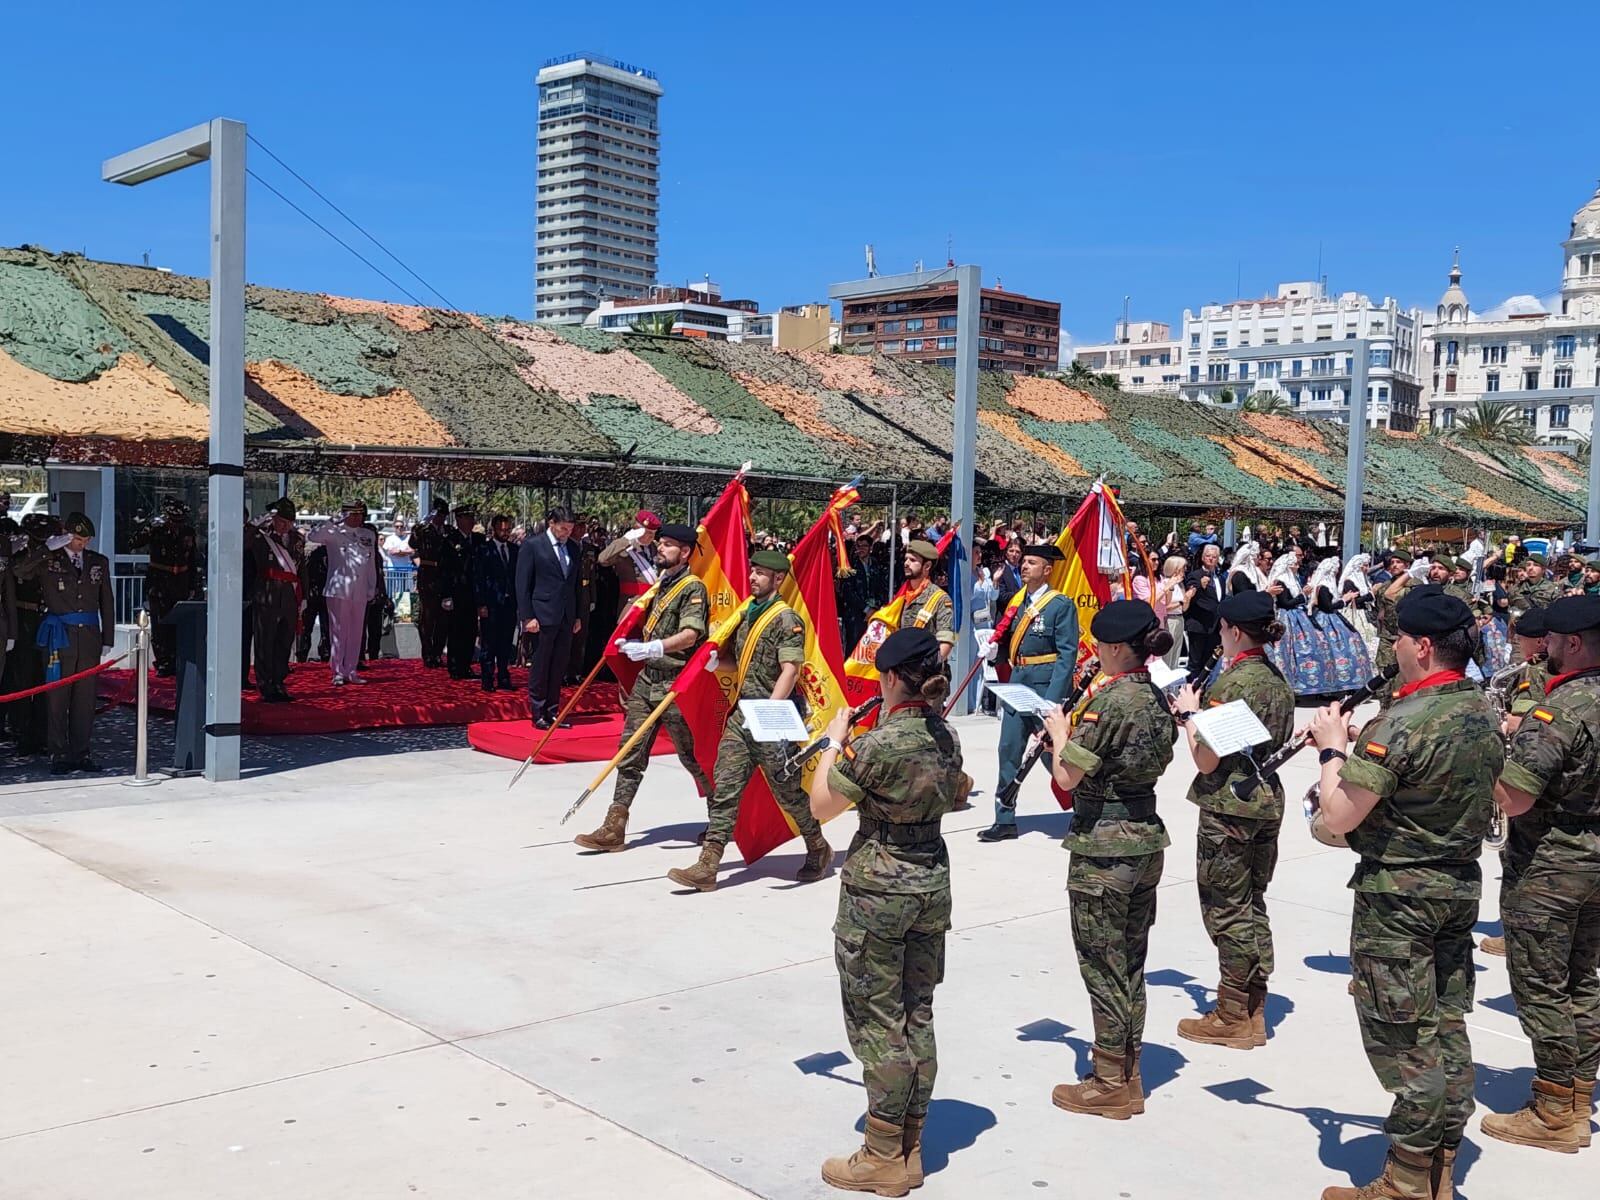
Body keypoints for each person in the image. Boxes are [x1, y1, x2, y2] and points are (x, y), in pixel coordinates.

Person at [1306, 588, 1501, 1200]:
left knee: (1402, 1038)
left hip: (1399, 897)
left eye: (1398, 638)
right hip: (1458, 884)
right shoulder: (1480, 706)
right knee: (1447, 1022)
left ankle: (1407, 1182)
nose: (1392, 647)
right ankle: (1440, 1164)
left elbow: (1339, 815)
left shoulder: (1401, 722)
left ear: (1420, 645)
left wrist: (1334, 750)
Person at [807, 627, 969, 1195]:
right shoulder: (946, 735)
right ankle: (910, 1143)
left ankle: (882, 1155)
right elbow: (958, 792)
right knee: (916, 1012)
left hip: (879, 891)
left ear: (894, 679)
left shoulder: (878, 743)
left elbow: (821, 805)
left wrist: (835, 742)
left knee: (877, 1020)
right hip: (930, 884)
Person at [1042, 599, 1177, 1120]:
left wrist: (1059, 734)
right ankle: (1127, 1067)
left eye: (1100, 646)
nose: (1095, 654)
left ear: (1117, 649)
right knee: (1130, 962)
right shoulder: (1155, 697)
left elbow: (1067, 776)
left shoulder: (1111, 702)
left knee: (1103, 966)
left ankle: (1109, 1082)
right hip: (1144, 838)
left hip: (1105, 845)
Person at [1479, 593, 1600, 1153]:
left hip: (1551, 864)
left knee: (1540, 985)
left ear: (1571, 643)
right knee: (1581, 978)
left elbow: (1516, 796)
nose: (1543, 647)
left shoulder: (1561, 709)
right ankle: (1579, 1092)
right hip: (1595, 861)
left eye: (1550, 639)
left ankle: (1555, 1112)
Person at [1171, 591, 1295, 1049]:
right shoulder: (1274, 679)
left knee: (1227, 909)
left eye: (1223, 629)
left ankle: (1233, 1012)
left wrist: (1189, 715)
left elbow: (1206, 760)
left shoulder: (1232, 684)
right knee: (1252, 902)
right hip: (1264, 803)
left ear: (1234, 631)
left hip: (1230, 806)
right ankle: (1253, 1004)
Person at [668, 551, 832, 891]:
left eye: (760, 574)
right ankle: (708, 865)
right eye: (752, 572)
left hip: (772, 718)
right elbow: (738, 663)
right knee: (725, 788)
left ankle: (817, 846)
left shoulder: (787, 620)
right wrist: (717, 663)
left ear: (777, 579)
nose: (753, 577)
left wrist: (771, 711)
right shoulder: (745, 614)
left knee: (788, 795)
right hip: (742, 716)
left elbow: (791, 669)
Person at [574, 523, 713, 851]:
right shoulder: (662, 583)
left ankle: (723, 818)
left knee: (691, 756)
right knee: (630, 752)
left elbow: (691, 634)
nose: (660, 548)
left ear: (686, 552)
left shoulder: (693, 588)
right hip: (648, 680)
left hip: (675, 685)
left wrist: (655, 647)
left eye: (667, 545)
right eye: (660, 543)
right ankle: (614, 827)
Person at [983, 543, 1079, 843]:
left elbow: (1067, 654)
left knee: (1052, 753)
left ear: (1047, 570)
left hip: (1045, 685)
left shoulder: (1060, 605)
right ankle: (1005, 817)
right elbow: (1010, 639)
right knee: (1008, 749)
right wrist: (994, 652)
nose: (1024, 567)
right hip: (1018, 681)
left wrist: (1054, 698)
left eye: (1032, 563)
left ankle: (1085, 805)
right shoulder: (1017, 601)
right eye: (1023, 562)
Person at [13, 513, 116, 774]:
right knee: (57, 697)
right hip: (59, 637)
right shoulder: (50, 561)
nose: (82, 544)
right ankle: (58, 753)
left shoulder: (98, 562)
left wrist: (108, 638)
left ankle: (81, 753)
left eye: (86, 539)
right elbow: (19, 571)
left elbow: (107, 601)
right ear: (67, 536)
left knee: (84, 699)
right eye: (77, 539)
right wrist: (47, 548)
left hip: (89, 637)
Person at [515, 506, 583, 727]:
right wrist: (527, 617)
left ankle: (553, 711)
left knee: (559, 664)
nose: (566, 533)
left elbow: (576, 585)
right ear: (551, 523)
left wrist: (577, 616)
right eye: (563, 528)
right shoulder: (533, 546)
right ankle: (538, 711)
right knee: (541, 664)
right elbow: (522, 585)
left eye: (570, 529)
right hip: (542, 615)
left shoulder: (573, 548)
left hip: (565, 615)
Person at [306, 501, 379, 687]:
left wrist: (372, 586)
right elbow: (312, 536)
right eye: (352, 514)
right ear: (345, 515)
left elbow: (371, 564)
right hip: (338, 590)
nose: (357, 518)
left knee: (356, 632)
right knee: (339, 631)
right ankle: (338, 670)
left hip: (360, 590)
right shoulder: (334, 533)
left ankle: (352, 669)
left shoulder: (368, 535)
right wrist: (332, 521)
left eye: (359, 514)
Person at [5, 513, 59, 754]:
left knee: (46, 678)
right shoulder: (21, 551)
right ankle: (23, 734)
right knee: (24, 679)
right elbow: (19, 571)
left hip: (48, 619)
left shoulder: (55, 549)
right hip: (25, 620)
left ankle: (43, 733)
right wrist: (44, 550)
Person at [128, 497, 197, 676]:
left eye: (180, 521)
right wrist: (149, 528)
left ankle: (177, 658)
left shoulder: (188, 531)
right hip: (159, 580)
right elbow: (133, 542)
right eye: (173, 520)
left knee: (179, 623)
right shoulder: (156, 529)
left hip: (180, 581)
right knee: (160, 623)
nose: (177, 525)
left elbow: (192, 559)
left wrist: (193, 585)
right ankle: (163, 660)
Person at [245, 499, 302, 703]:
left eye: (289, 521)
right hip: (267, 592)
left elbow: (300, 569)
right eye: (281, 521)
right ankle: (266, 684)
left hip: (288, 595)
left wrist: (303, 598)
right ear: (274, 519)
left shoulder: (297, 539)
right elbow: (242, 544)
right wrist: (254, 526)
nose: (285, 525)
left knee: (284, 641)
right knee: (265, 640)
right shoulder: (261, 538)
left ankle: (279, 681)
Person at [473, 515, 520, 693]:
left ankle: (503, 675)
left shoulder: (515, 550)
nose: (505, 533)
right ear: (494, 529)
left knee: (506, 642)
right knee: (489, 643)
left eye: (508, 530)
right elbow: (478, 578)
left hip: (509, 604)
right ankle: (487, 678)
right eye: (502, 530)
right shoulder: (484, 549)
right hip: (491, 604)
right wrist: (481, 604)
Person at [442, 504, 483, 680]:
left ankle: (466, 665)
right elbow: (445, 570)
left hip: (473, 593)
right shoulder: (450, 540)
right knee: (456, 631)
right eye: (467, 517)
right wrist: (446, 595)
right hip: (457, 592)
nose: (470, 521)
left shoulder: (479, 539)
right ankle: (454, 666)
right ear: (458, 519)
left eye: (472, 517)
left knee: (470, 630)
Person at [898, 539, 957, 662]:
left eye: (913, 560)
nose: (906, 563)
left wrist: (930, 667)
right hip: (902, 666)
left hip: (925, 671)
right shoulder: (900, 596)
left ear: (927, 566)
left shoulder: (939, 598)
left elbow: (946, 641)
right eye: (906, 559)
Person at [1373, 551, 1418, 707]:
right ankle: (1384, 706)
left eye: (1398, 562)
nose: (1394, 565)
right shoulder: (1384, 586)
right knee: (1384, 671)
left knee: (1405, 674)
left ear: (1407, 565)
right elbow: (1380, 609)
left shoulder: (1415, 585)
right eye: (1392, 562)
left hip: (1408, 636)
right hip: (1387, 636)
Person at [410, 499, 450, 669]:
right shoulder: (424, 531)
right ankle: (427, 653)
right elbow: (413, 543)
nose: (440, 518)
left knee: (443, 619)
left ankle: (437, 652)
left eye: (443, 515)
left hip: (444, 577)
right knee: (427, 618)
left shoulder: (448, 531)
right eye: (438, 514)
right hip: (428, 576)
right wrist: (422, 524)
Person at [598, 509, 660, 605]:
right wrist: (625, 540)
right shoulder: (624, 546)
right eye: (648, 533)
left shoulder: (655, 547)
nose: (652, 537)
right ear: (639, 531)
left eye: (653, 533)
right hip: (632, 602)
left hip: (654, 602)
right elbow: (602, 560)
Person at [1183, 543, 1225, 681]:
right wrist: (1200, 587)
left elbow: (1221, 600)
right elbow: (1190, 598)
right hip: (1199, 625)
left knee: (1211, 662)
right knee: (1195, 663)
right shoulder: (1195, 576)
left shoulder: (1220, 577)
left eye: (1214, 556)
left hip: (1215, 626)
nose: (1211, 559)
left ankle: (1205, 690)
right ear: (1202, 557)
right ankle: (1191, 689)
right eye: (1208, 556)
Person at [296, 540, 331, 663]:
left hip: (317, 593)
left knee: (313, 627)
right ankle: (319, 652)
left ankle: (303, 653)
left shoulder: (312, 553)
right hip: (319, 593)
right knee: (319, 627)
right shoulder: (328, 553)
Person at [1157, 555, 1188, 668]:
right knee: (1168, 653)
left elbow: (1184, 607)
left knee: (1177, 651)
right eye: (1182, 567)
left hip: (1180, 618)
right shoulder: (1166, 583)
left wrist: (1187, 598)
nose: (1185, 570)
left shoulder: (1180, 584)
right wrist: (1180, 602)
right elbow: (1166, 606)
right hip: (1169, 619)